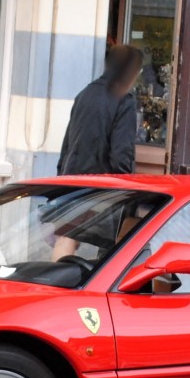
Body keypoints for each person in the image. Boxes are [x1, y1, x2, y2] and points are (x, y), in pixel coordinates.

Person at [51, 45, 144, 260]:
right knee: (116, 250)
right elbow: (121, 155)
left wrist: (61, 180)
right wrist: (128, 190)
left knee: (66, 238)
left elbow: (67, 146)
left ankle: (53, 288)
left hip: (72, 181)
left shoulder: (84, 94)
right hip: (104, 187)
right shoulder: (124, 101)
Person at [57, 44, 143, 176]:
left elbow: (66, 150)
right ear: (129, 71)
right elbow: (121, 159)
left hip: (70, 184)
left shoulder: (84, 94)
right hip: (99, 189)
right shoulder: (124, 101)